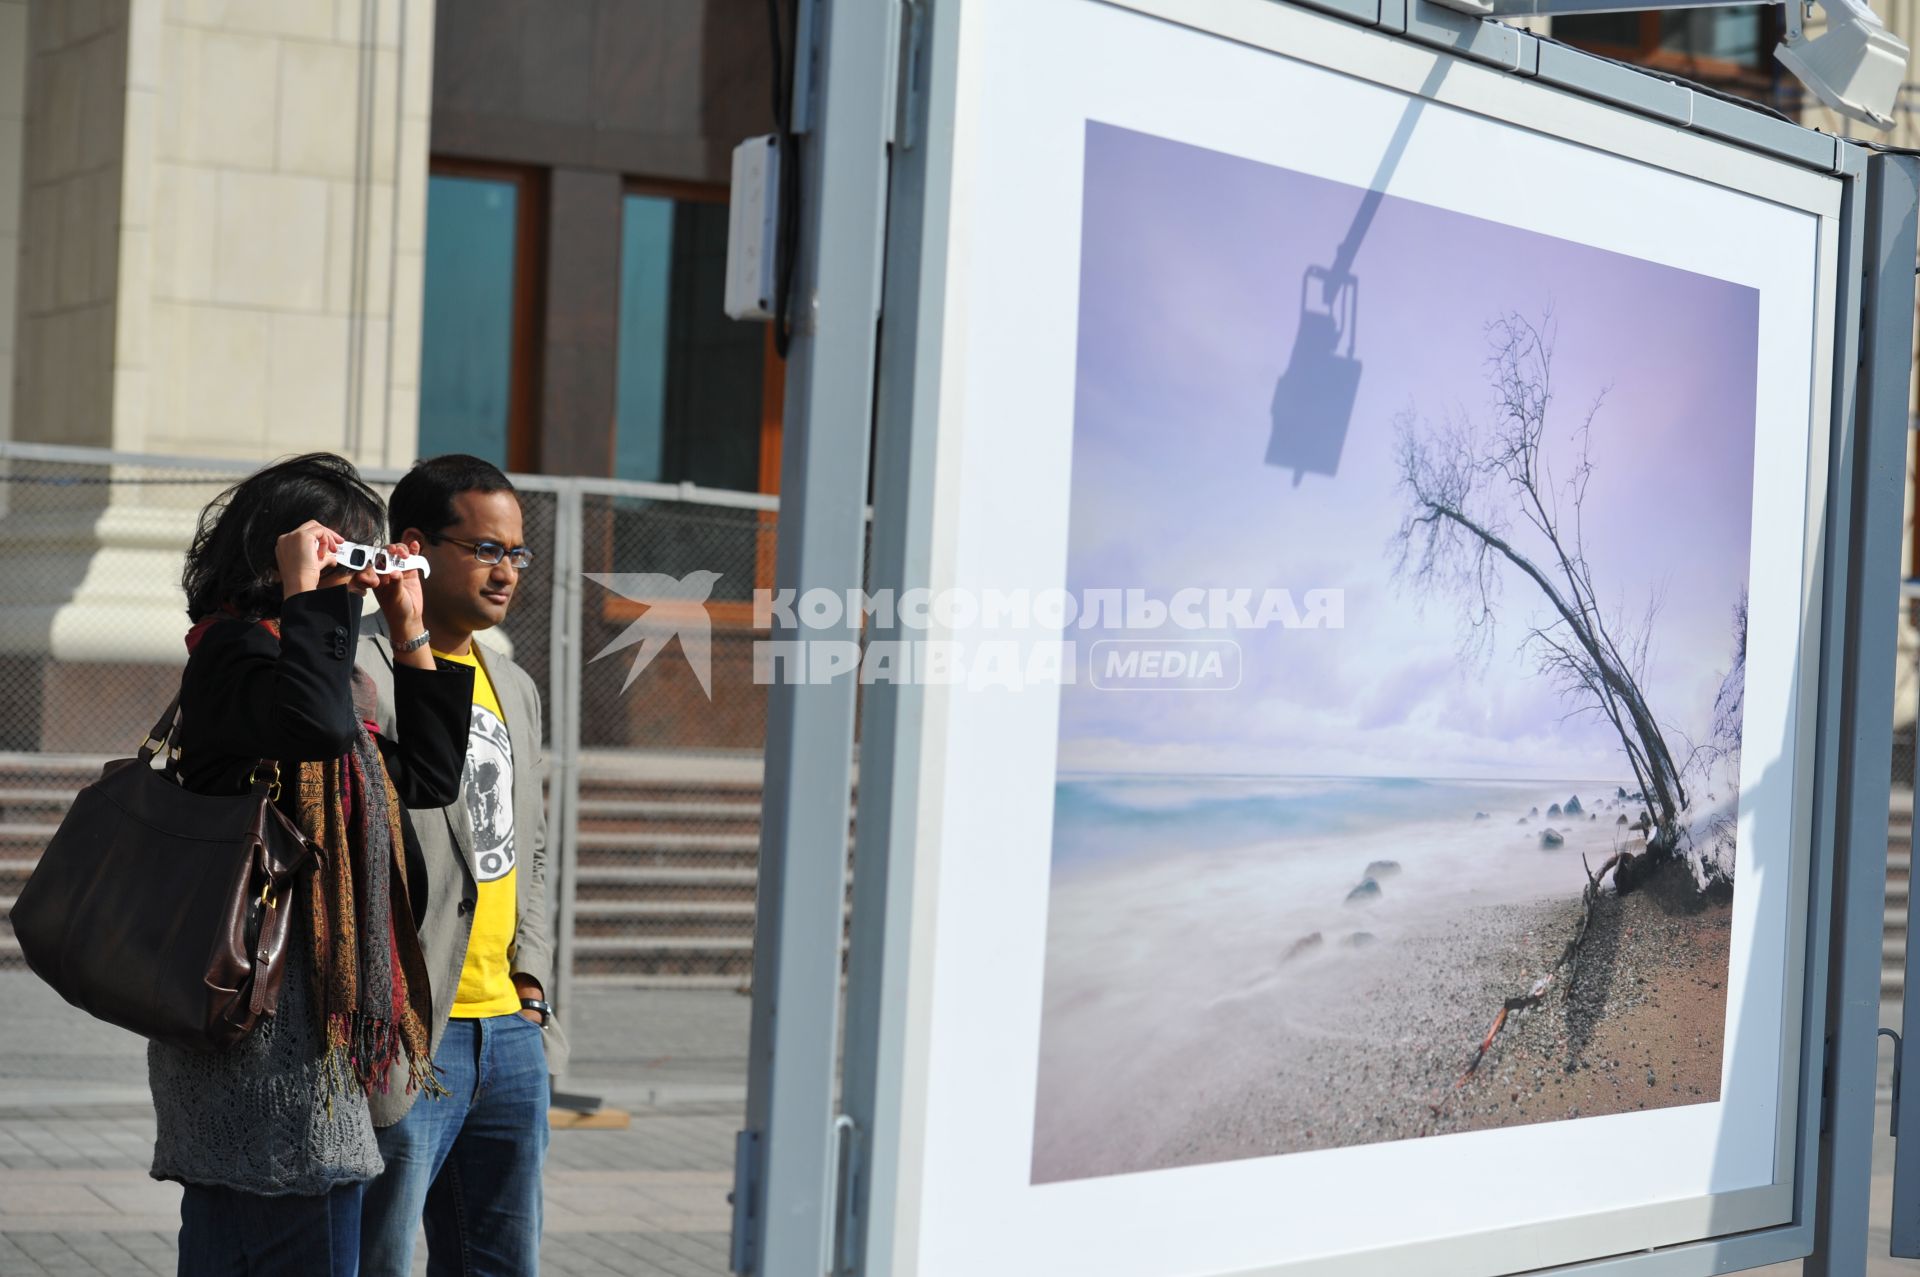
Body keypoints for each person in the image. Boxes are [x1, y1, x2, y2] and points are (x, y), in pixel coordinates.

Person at [153, 452, 474, 1276]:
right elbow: (315, 726)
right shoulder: (231, 655)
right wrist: (308, 597)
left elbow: (430, 778)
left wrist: (408, 629)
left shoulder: (315, 667)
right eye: (344, 553)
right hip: (250, 1036)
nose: (355, 578)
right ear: (281, 553)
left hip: (308, 1043)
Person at [358, 455, 568, 1276]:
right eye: (486, 548)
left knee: (499, 1263)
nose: (507, 571)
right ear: (415, 547)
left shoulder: (511, 681)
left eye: (517, 553)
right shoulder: (361, 672)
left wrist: (534, 985)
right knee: (379, 1257)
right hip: (413, 1028)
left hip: (510, 1035)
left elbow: (534, 844)